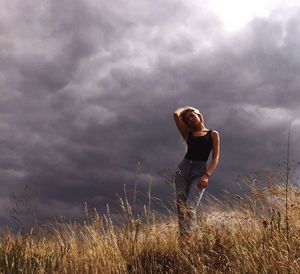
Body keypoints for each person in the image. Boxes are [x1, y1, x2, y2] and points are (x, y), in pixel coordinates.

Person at [173, 106, 220, 242]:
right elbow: (176, 114)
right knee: (181, 208)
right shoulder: (188, 134)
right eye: (187, 119)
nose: (190, 119)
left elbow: (215, 158)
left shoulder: (213, 134)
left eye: (192, 116)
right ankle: (184, 240)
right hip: (183, 170)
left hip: (199, 172)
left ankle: (188, 239)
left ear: (199, 115)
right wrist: (186, 111)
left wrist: (206, 175)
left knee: (190, 206)